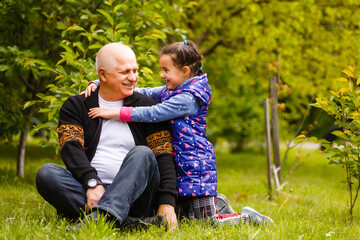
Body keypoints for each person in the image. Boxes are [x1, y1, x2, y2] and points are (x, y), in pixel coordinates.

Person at [85, 40, 273, 225]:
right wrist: (100, 83)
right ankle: (219, 204)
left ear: (185, 72)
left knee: (206, 222)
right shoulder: (172, 90)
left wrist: (116, 113)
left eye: (166, 70)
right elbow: (143, 91)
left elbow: (154, 113)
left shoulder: (188, 98)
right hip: (181, 163)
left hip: (195, 166)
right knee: (187, 217)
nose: (162, 75)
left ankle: (248, 218)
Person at [35, 42, 179, 231]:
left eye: (135, 71)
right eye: (125, 72)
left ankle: (98, 219)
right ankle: (127, 224)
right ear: (102, 74)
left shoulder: (147, 107)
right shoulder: (76, 106)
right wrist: (92, 183)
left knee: (143, 153)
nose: (133, 78)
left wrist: (167, 201)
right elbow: (71, 148)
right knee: (47, 174)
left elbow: (164, 154)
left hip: (137, 198)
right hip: (90, 193)